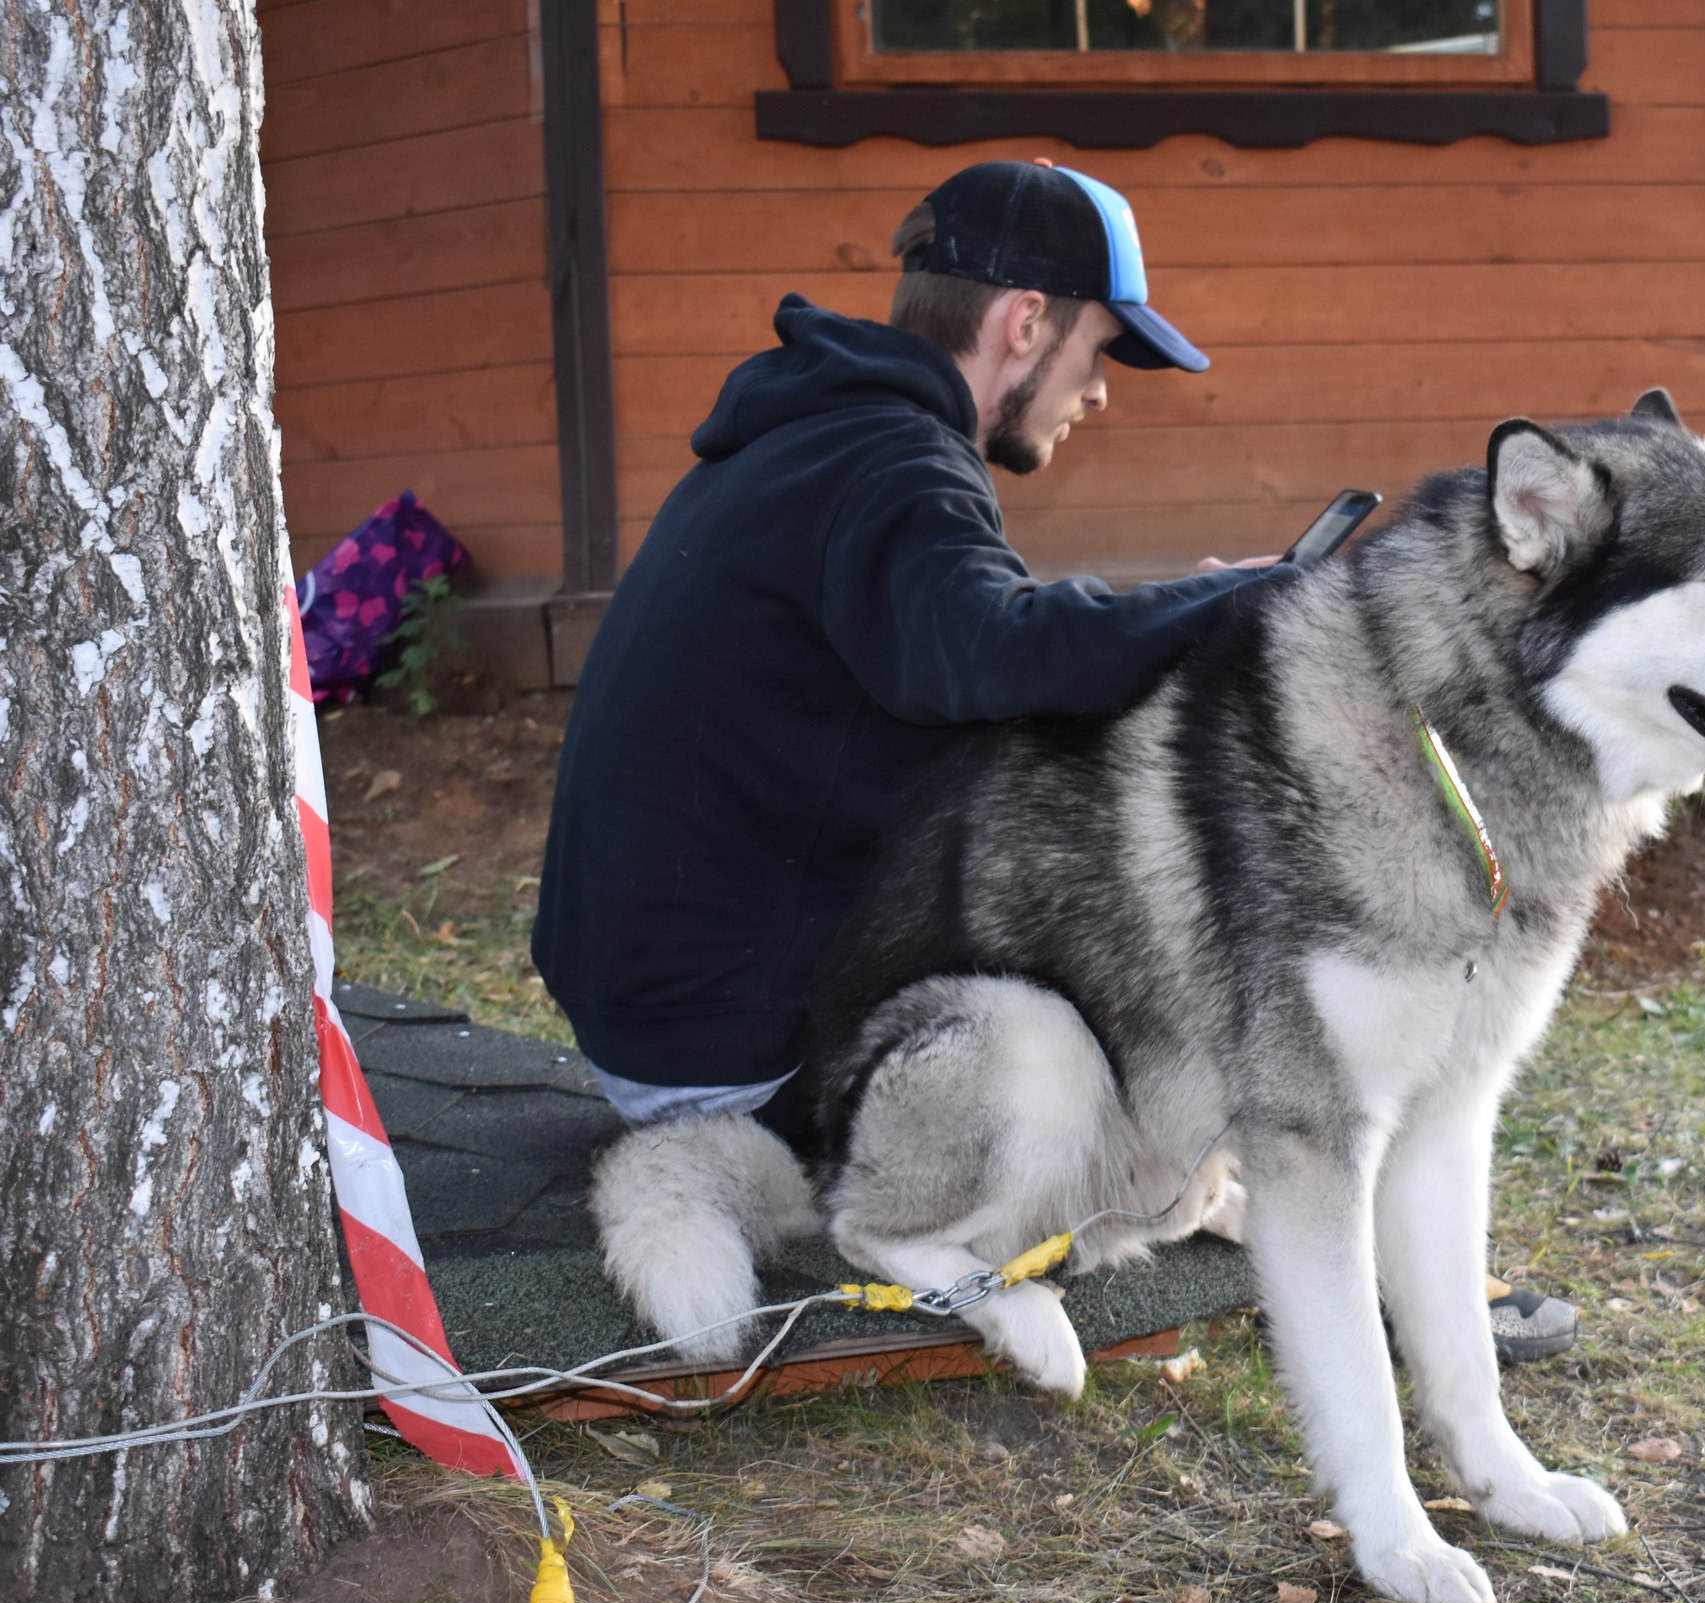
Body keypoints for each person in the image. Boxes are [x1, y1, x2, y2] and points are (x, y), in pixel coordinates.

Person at [532, 160, 1579, 1365]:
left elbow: (978, 653)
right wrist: (1229, 603)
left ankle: (1247, 1199)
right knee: (1181, 915)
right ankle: (1349, 1247)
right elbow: (992, 652)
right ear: (1024, 322)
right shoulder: (888, 463)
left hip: (667, 1015)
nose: (1098, 392)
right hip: (741, 1051)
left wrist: (1179, 607)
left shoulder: (821, 438)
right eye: (1098, 351)